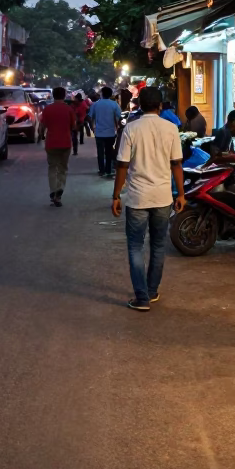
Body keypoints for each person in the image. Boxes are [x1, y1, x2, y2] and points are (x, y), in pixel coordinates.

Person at [112, 85, 186, 310]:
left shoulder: (131, 129)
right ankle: (152, 291)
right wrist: (181, 193)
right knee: (158, 246)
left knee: (135, 246)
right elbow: (176, 164)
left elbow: (122, 165)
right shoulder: (171, 128)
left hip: (137, 198)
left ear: (139, 105)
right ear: (161, 105)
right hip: (162, 197)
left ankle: (141, 298)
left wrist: (116, 195)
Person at [39, 85, 77, 207]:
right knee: (63, 168)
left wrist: (41, 136)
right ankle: (59, 192)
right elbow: (74, 126)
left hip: (51, 143)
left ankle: (53, 190)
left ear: (53, 96)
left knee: (52, 167)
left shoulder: (47, 109)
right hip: (65, 143)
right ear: (64, 95)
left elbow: (42, 126)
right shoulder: (69, 109)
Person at [88, 85, 123, 178]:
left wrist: (92, 128)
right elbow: (119, 117)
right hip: (111, 132)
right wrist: (118, 127)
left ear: (102, 94)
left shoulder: (95, 104)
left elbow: (90, 117)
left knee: (100, 152)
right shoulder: (114, 104)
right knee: (109, 152)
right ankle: (108, 169)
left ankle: (101, 170)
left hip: (99, 133)